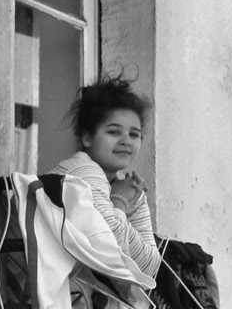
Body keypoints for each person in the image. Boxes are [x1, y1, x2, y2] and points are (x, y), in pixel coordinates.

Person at [49, 75, 161, 278]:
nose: (126, 141)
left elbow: (150, 267)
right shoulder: (83, 171)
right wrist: (119, 202)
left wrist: (121, 201)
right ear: (87, 138)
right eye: (114, 132)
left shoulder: (128, 187)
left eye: (134, 134)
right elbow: (111, 249)